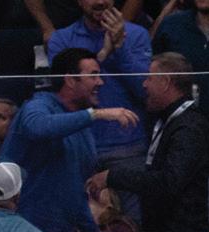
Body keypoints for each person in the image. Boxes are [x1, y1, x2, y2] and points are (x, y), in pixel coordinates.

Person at [89, 52, 209, 232]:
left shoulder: (190, 127)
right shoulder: (170, 121)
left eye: (149, 77)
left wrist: (114, 176)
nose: (144, 84)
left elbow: (169, 181)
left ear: (166, 81)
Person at [0, 48, 139, 232]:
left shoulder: (82, 128)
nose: (100, 82)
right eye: (93, 75)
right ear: (70, 80)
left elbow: (75, 192)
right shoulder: (38, 105)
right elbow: (38, 127)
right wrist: (96, 114)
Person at [48, 0, 151, 165]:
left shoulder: (137, 35)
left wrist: (120, 48)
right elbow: (66, 91)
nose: (100, 2)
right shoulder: (61, 39)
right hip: (77, 146)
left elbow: (144, 90)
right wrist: (102, 55)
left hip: (127, 147)